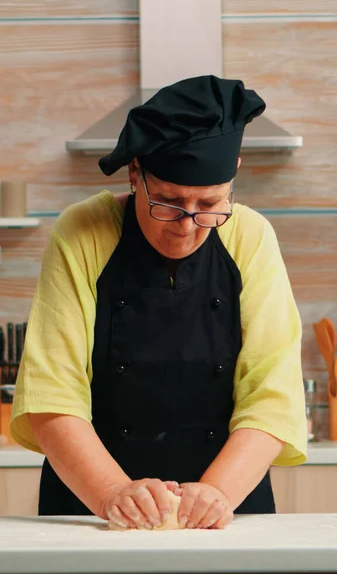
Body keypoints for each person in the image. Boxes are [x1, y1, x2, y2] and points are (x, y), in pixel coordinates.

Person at [10, 75, 307, 530]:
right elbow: (53, 393)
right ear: (135, 176)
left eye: (209, 204)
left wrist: (218, 493)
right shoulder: (83, 231)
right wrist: (111, 493)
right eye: (168, 203)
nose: (188, 227)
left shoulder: (250, 236)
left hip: (226, 507)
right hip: (93, 511)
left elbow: (273, 394)